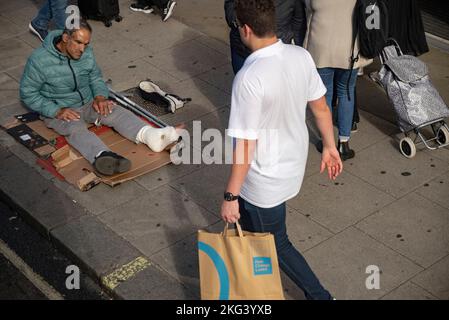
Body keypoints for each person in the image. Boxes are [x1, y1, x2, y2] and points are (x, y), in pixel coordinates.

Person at [220, 0, 342, 300]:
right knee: (253, 234)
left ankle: (320, 296)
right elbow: (321, 108)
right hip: (291, 165)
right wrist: (329, 146)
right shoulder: (299, 55)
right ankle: (253, 286)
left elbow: (245, 146)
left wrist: (230, 196)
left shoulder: (249, 78)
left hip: (263, 180)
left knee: (276, 242)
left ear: (246, 29)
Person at [20, 19, 181, 176]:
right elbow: (28, 94)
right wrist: (56, 110)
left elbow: (95, 77)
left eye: (86, 44)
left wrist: (99, 96)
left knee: (115, 111)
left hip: (89, 102)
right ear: (65, 38)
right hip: (61, 108)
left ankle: (150, 136)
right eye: (78, 42)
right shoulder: (39, 60)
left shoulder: (86, 53)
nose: (83, 49)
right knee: (75, 129)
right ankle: (102, 156)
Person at [304, 0, 372, 161]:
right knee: (346, 93)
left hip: (320, 48)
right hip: (349, 50)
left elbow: (308, 9)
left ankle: (327, 141)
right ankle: (344, 143)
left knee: (323, 94)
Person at [225, 0, 307, 74]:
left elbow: (298, 21)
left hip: (277, 54)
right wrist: (239, 22)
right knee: (244, 83)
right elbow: (230, 5)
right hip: (242, 51)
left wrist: (296, 50)